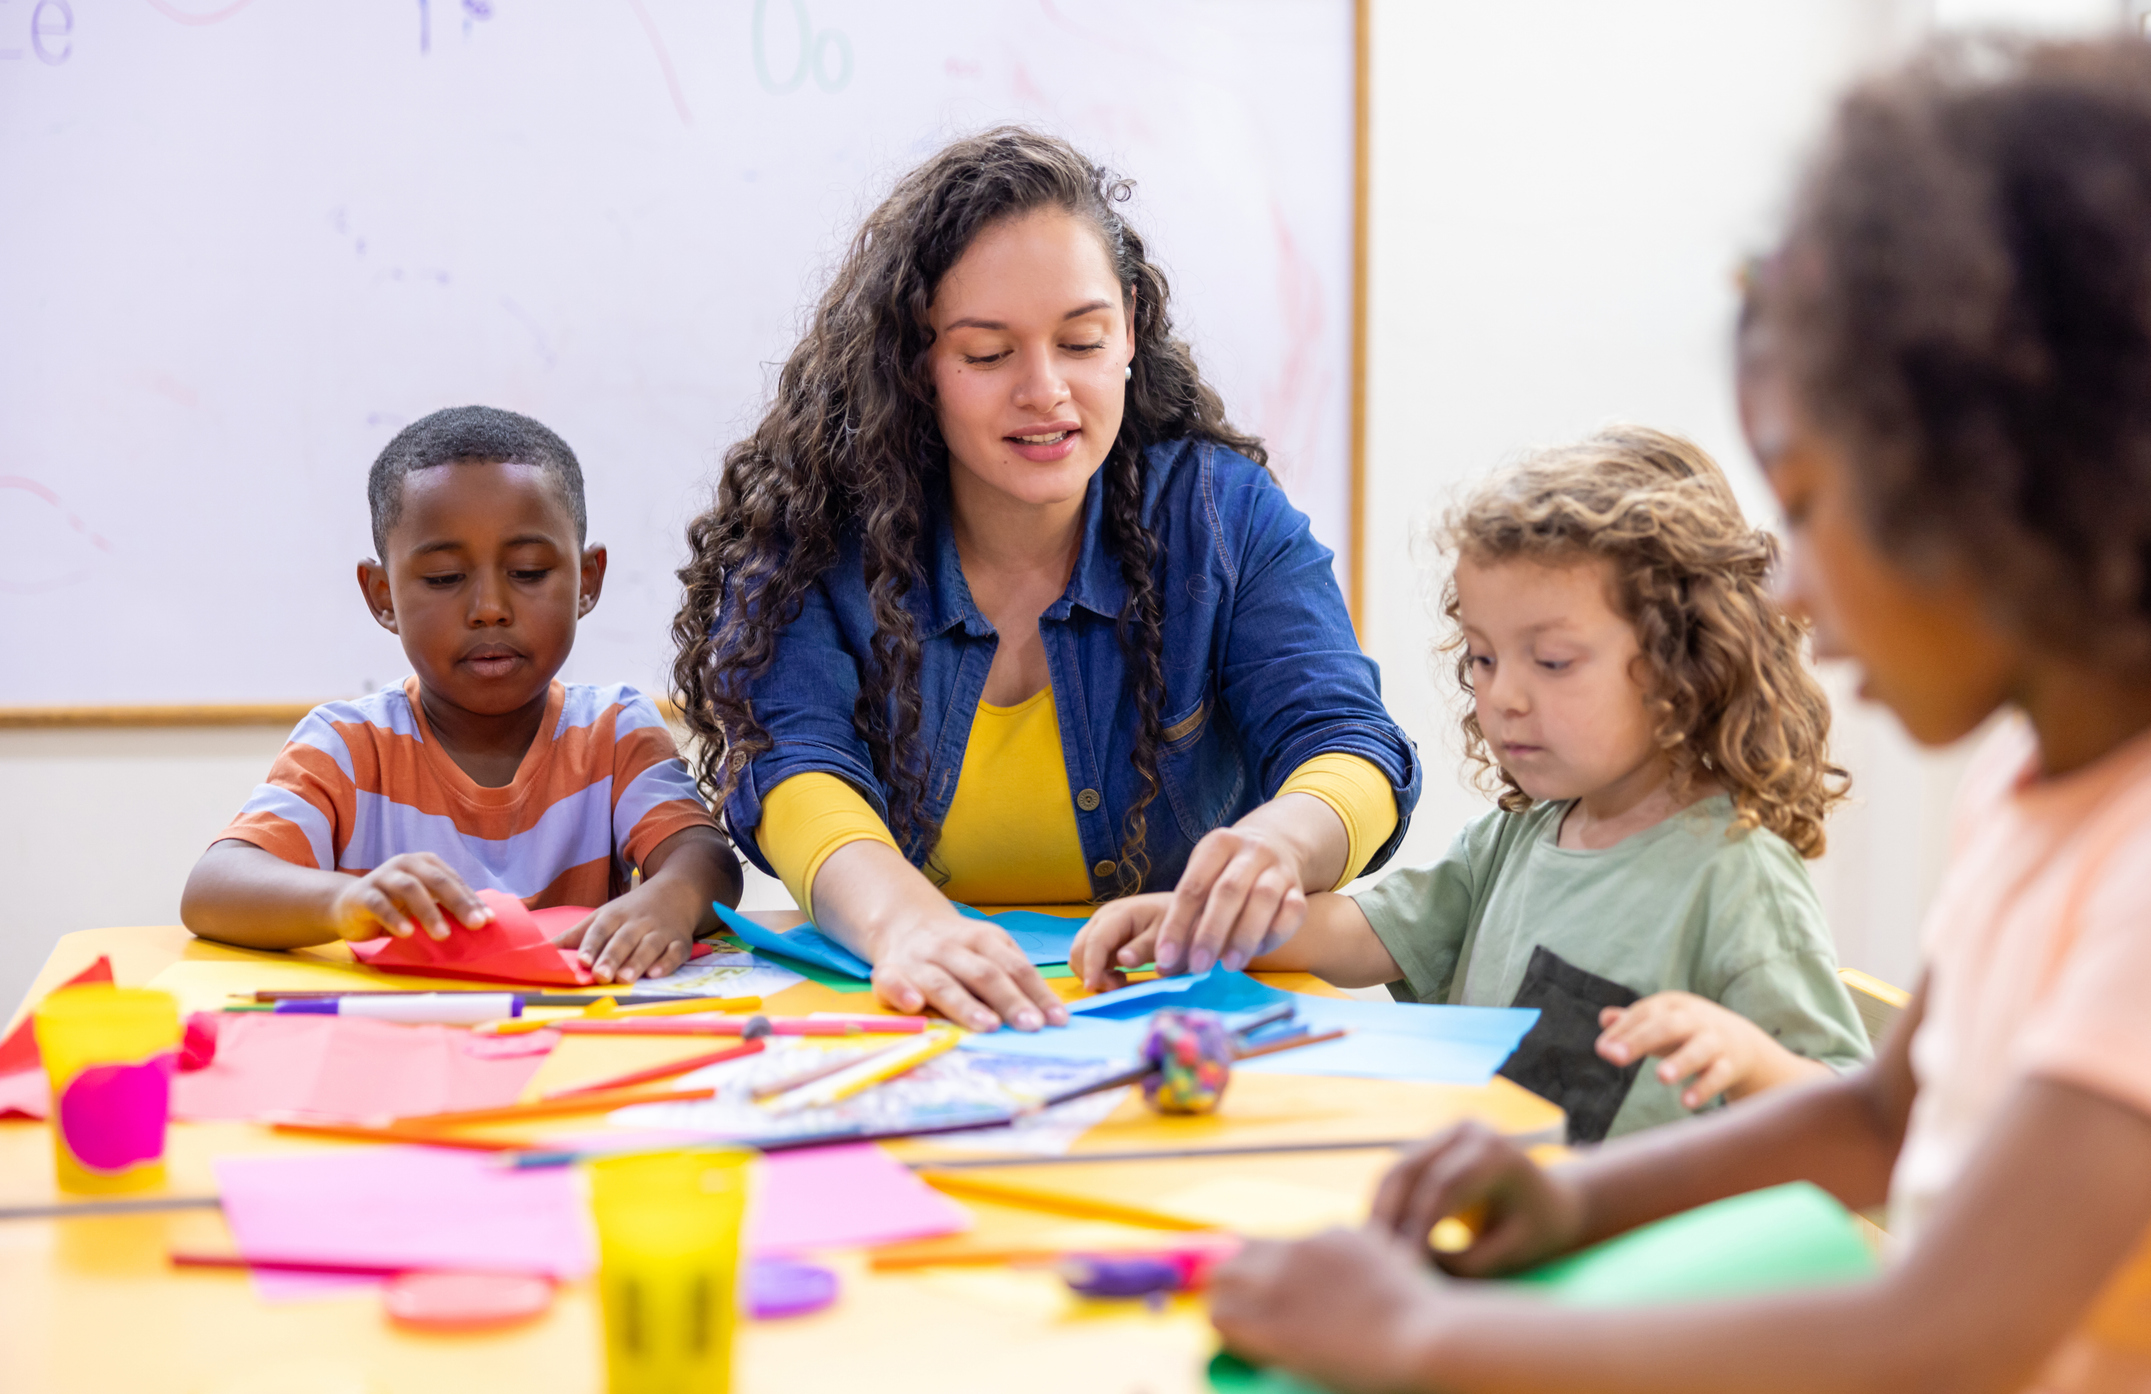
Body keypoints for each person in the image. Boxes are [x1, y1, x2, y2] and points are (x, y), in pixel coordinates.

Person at [1206, 35, 2151, 1394]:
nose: (1792, 594)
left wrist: (1420, 1336)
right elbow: (1882, 1111)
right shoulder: (2033, 793)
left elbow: (1945, 1330)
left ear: (2007, 482)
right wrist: (1581, 1202)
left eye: (1815, 505)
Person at [671, 127, 1420, 1032]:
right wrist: (906, 925)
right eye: (988, 355)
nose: (1045, 391)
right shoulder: (815, 533)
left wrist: (1277, 843)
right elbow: (793, 767)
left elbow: (1348, 741)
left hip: (1170, 1023)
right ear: (916, 362)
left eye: (1082, 341)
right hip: (904, 1015)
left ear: (1132, 328)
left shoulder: (1219, 518)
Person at [1075, 427, 1870, 1141]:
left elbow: (1851, 1116)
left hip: (1625, 1268)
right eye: (1483, 659)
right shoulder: (1523, 835)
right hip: (1499, 1225)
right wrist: (1204, 923)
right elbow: (1363, 937)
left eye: (1551, 662)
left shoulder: (1737, 877)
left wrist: (1749, 1058)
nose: (1502, 697)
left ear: (1685, 662)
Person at [182, 406, 742, 985]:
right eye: (445, 578)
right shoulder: (346, 747)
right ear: (382, 596)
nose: (489, 608)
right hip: (400, 1042)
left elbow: (708, 861)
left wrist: (671, 899)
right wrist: (344, 902)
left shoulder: (615, 730)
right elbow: (213, 887)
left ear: (588, 580)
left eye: (527, 571)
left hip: (571, 1038)